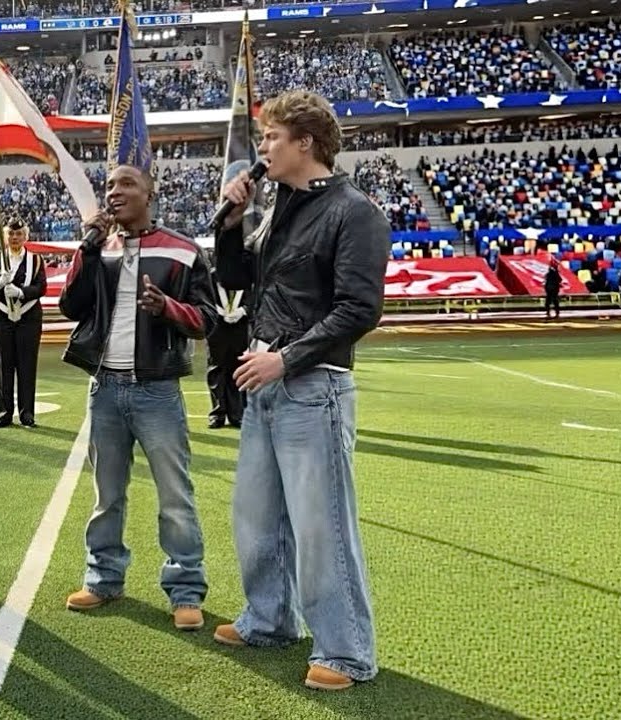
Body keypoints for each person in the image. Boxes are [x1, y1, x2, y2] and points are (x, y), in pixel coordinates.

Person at [212, 90, 389, 691]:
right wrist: (231, 226)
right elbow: (236, 280)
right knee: (256, 516)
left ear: (305, 143)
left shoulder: (353, 211)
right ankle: (268, 620)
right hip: (266, 379)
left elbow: (359, 309)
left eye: (271, 137)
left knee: (321, 525)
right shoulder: (278, 210)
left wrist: (285, 359)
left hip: (314, 385)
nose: (262, 148)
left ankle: (345, 650)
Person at [59, 163, 218, 631]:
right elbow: (71, 306)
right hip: (105, 388)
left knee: (175, 495)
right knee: (107, 495)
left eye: (126, 183)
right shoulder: (100, 248)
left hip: (157, 390)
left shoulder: (182, 250)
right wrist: (88, 247)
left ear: (150, 193)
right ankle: (103, 578)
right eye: (109, 185)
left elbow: (208, 319)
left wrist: (167, 307)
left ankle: (185, 590)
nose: (114, 191)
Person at [0, 216, 47, 428]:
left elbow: (41, 287)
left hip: (28, 317)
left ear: (25, 236)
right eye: (11, 233)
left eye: (19, 234)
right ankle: (4, 412)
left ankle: (27, 413)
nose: (15, 237)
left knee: (27, 365)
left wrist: (21, 292)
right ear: (5, 236)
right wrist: (0, 281)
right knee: (3, 364)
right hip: (1, 316)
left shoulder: (36, 260)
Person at [205, 260, 250, 429]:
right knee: (216, 371)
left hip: (241, 328)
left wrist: (244, 310)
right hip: (217, 328)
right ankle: (217, 414)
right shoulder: (211, 276)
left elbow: (257, 296)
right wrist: (216, 309)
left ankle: (237, 414)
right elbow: (203, 296)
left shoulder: (247, 274)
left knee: (239, 368)